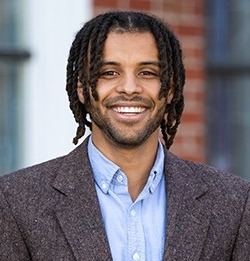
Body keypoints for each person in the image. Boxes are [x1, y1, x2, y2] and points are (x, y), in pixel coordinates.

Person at [0, 11, 250, 261]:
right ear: (82, 89)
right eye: (109, 72)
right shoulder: (15, 201)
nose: (129, 88)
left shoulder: (234, 202)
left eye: (147, 73)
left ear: (171, 89)